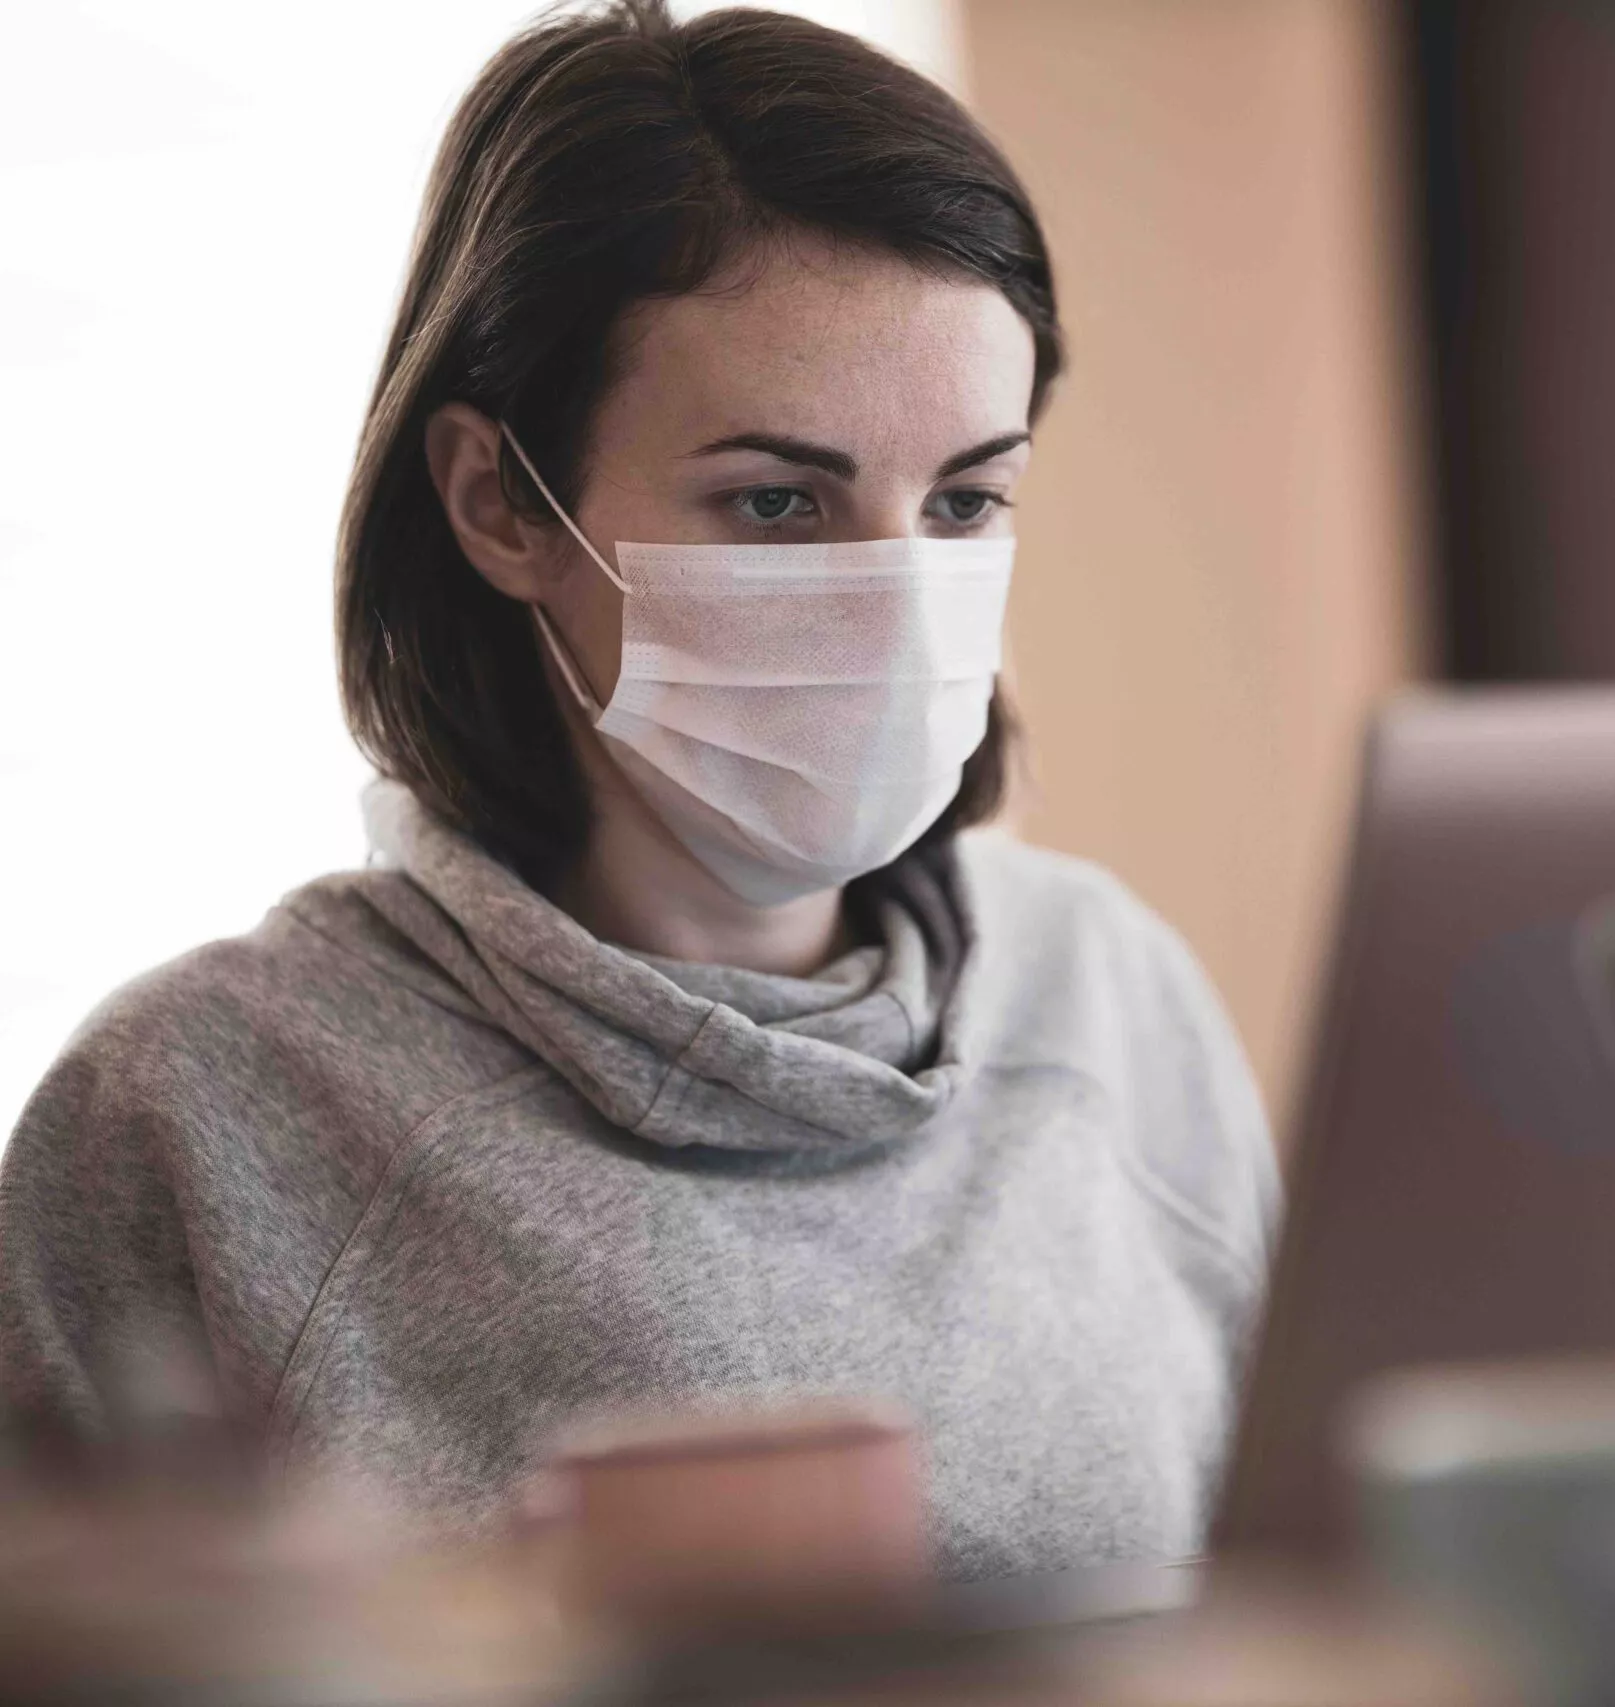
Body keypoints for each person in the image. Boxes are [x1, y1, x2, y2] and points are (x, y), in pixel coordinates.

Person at [0, 0, 1274, 1581]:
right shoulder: (198, 1114)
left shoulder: (1113, 1004)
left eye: (964, 499)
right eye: (774, 501)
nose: (892, 597)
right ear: (498, 503)